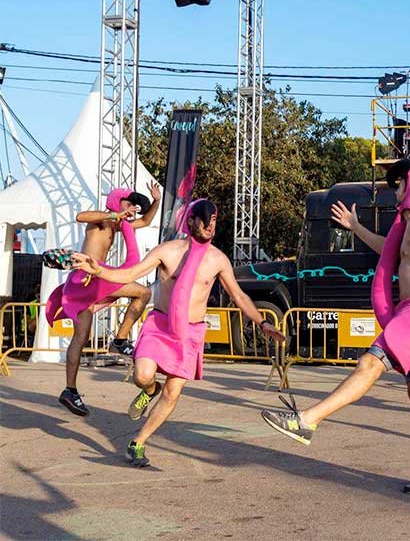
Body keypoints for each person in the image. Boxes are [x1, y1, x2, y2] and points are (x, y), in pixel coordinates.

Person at [261, 160, 410, 494]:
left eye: (399, 184)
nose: (395, 190)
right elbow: (387, 250)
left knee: (369, 363)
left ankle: (307, 421)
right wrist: (355, 227)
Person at [71, 199, 285, 467]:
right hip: (160, 326)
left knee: (172, 393)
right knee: (142, 375)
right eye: (205, 220)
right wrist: (99, 270)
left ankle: (138, 442)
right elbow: (130, 274)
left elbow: (239, 296)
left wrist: (263, 323)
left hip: (190, 333)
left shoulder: (218, 259)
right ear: (191, 221)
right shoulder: (167, 252)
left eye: (214, 221)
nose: (210, 226)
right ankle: (150, 390)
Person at [48, 183, 161, 416]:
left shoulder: (118, 224)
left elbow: (145, 221)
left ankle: (70, 391)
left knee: (82, 336)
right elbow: (80, 216)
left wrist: (156, 201)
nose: (132, 208)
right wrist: (114, 214)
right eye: (129, 203)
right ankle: (118, 341)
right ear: (116, 202)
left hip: (94, 279)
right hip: (87, 278)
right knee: (142, 293)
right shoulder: (101, 220)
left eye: (134, 206)